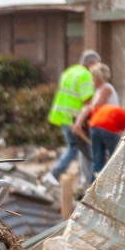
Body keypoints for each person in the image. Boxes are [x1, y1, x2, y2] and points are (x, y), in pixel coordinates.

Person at [47, 50, 101, 185]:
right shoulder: (85, 75)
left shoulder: (69, 71)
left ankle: (85, 180)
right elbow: (87, 101)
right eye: (97, 65)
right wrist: (83, 121)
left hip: (63, 116)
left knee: (79, 148)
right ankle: (55, 173)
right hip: (75, 118)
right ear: (91, 63)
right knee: (75, 147)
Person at [85, 104, 125, 185]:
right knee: (117, 157)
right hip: (108, 128)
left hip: (93, 127)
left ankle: (92, 185)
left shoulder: (108, 107)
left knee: (97, 159)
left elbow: (90, 110)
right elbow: (123, 135)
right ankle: (118, 183)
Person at [73, 63, 118, 135]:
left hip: (109, 124)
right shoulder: (99, 90)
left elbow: (93, 107)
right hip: (103, 123)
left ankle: (78, 125)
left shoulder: (106, 88)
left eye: (92, 77)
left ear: (97, 78)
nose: (91, 80)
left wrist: (79, 122)